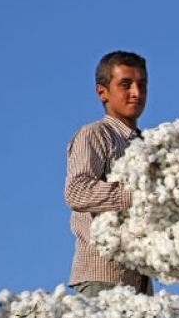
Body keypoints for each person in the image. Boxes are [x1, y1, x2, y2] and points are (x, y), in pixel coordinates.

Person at [64, 50, 153, 297]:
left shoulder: (149, 146)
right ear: (102, 92)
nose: (136, 92)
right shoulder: (94, 135)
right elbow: (77, 192)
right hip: (102, 277)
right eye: (126, 84)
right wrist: (137, 196)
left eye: (142, 85)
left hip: (141, 281)